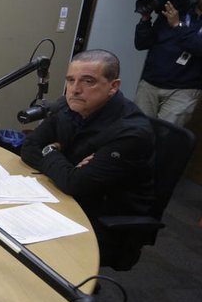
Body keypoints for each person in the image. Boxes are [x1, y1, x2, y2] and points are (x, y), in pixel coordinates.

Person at [20, 49, 154, 225]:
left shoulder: (130, 133)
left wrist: (50, 150)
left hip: (101, 218)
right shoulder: (68, 107)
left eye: (88, 81)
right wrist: (68, 171)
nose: (75, 90)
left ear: (113, 86)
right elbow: (29, 147)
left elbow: (75, 184)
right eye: (70, 80)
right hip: (61, 195)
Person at [133, 0, 202, 126]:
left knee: (165, 137)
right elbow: (142, 44)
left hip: (183, 90)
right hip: (149, 84)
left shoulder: (175, 19)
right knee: (138, 132)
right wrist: (145, 18)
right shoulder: (176, 12)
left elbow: (198, 47)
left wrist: (177, 26)